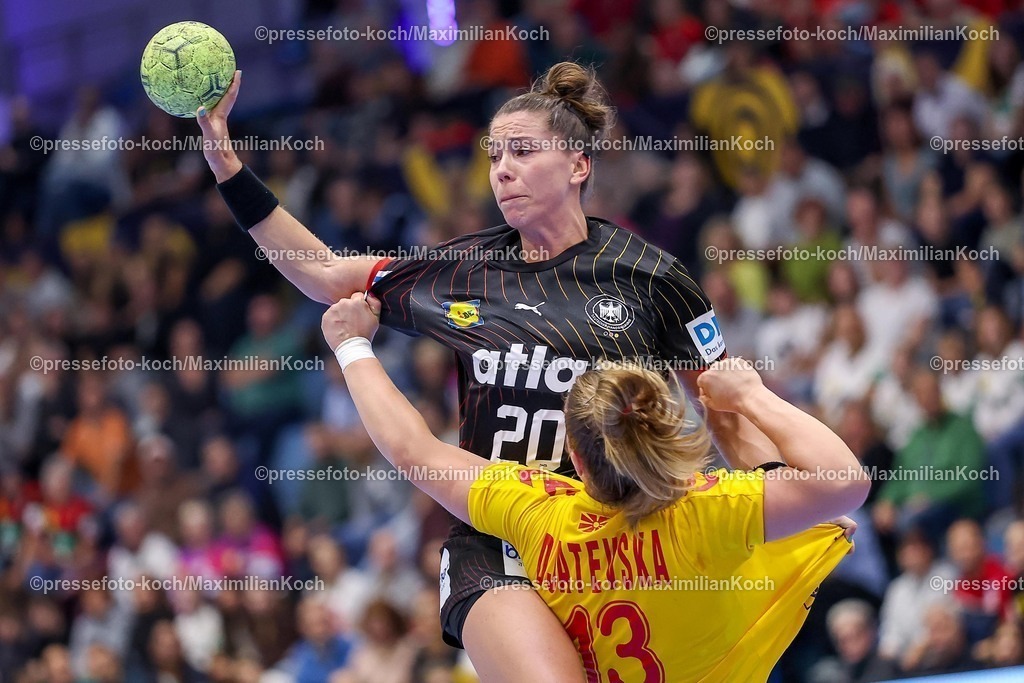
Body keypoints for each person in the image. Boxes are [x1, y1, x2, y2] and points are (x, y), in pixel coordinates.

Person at [197, 61, 785, 681]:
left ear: (578, 165)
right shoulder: (463, 270)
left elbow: (727, 405)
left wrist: (782, 501)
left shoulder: (652, 277)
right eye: (494, 155)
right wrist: (228, 170)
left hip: (622, 536)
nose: (502, 168)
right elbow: (320, 272)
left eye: (524, 152)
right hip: (499, 538)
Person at [318, 292, 869, 681]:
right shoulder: (713, 509)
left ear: (576, 460)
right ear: (669, 429)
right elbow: (844, 480)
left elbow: (416, 452)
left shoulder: (538, 510)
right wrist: (750, 393)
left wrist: (352, 347)